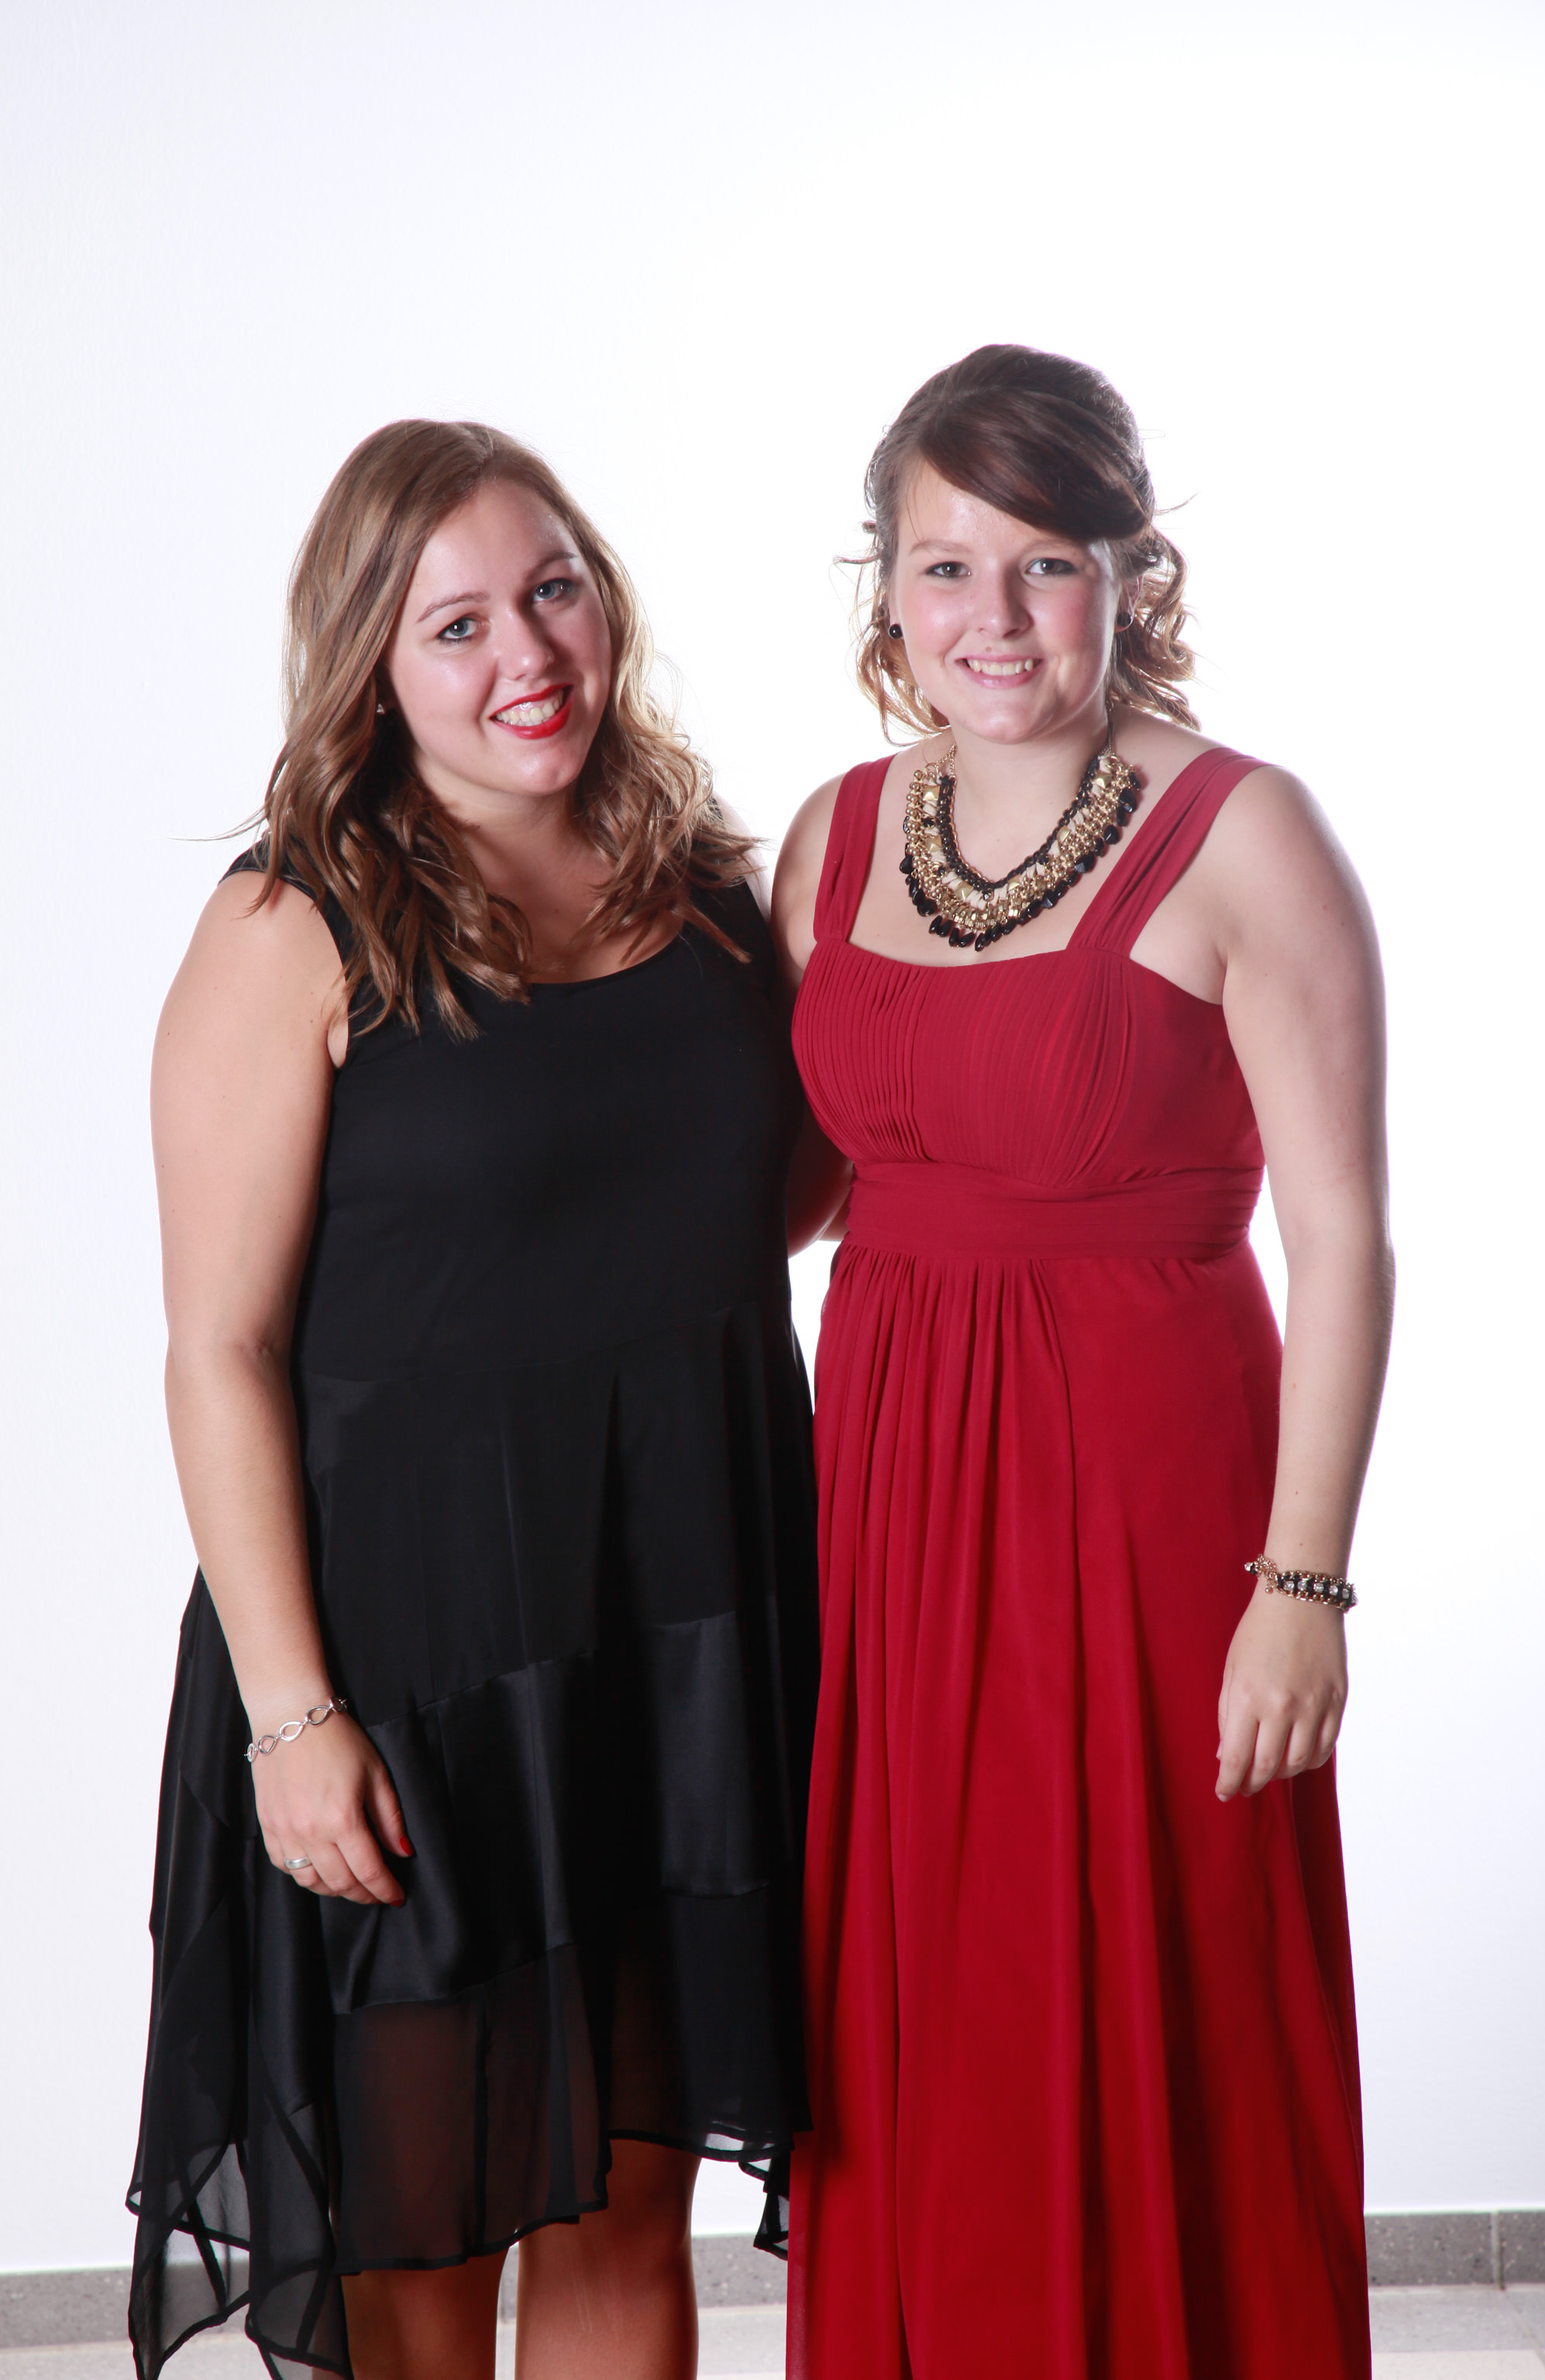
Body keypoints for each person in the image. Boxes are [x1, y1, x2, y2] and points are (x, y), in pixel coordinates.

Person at [129, 421, 819, 2380]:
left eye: (553, 589)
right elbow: (218, 1350)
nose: (527, 652)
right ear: (371, 664)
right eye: (456, 624)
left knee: (624, 2219)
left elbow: (761, 1208)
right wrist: (292, 1721)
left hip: (682, 1641)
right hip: (411, 1666)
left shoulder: (710, 887)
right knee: (422, 2234)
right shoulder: (290, 927)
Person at [772, 346, 1392, 2380]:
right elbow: (788, 1192)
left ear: (1135, 575)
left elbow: (1345, 1241)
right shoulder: (831, 836)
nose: (995, 618)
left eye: (1047, 563)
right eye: (945, 566)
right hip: (886, 1505)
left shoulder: (1245, 834)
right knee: (919, 1994)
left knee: (1165, 1982)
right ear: (886, 590)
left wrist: (1301, 1587)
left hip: (1151, 1511)